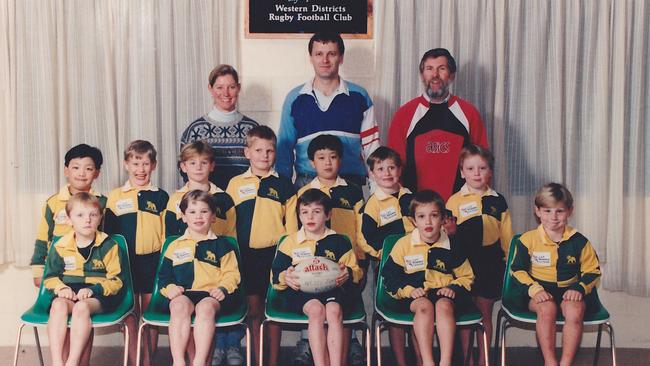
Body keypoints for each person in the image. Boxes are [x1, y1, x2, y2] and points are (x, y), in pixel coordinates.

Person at [284, 134, 366, 365]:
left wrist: (359, 258)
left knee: (340, 309)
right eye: (321, 158)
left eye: (333, 157)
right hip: (311, 267)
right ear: (312, 162)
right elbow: (293, 231)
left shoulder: (352, 191)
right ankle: (312, 349)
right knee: (316, 310)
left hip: (345, 260)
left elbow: (360, 226)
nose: (327, 162)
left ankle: (347, 350)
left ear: (340, 160)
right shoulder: (303, 192)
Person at [225, 125, 296, 366]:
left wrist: (288, 258)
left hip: (275, 256)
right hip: (245, 256)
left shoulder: (285, 185)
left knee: (272, 311)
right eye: (259, 150)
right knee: (254, 311)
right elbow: (227, 223)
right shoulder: (235, 184)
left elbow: (293, 229)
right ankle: (257, 359)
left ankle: (273, 361)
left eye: (270, 150)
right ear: (247, 153)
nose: (264, 155)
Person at [510, 183, 601, 366]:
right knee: (547, 309)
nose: (553, 217)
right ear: (537, 211)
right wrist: (535, 290)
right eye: (547, 210)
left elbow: (593, 271)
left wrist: (579, 288)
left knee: (575, 310)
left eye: (559, 211)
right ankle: (550, 361)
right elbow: (517, 270)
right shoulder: (527, 240)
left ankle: (566, 363)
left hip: (570, 290)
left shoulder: (580, 241)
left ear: (570, 211)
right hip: (538, 290)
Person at [382, 190, 474, 366]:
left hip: (444, 293)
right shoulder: (403, 244)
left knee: (443, 305)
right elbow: (390, 277)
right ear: (413, 221)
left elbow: (467, 276)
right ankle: (428, 361)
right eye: (422, 216)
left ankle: (445, 362)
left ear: (443, 219)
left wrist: (453, 288)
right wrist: (408, 290)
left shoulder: (452, 245)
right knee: (424, 306)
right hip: (415, 296)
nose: (428, 221)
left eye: (434, 215)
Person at [277, 32, 380, 189]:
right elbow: (284, 148)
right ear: (310, 58)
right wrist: (282, 187)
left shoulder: (360, 96)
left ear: (341, 57)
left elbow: (372, 147)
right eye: (319, 54)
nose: (325, 60)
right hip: (307, 183)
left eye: (331, 54)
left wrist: (377, 188)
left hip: (350, 183)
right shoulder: (295, 98)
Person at [271, 189, 362, 366]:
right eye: (304, 212)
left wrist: (348, 273)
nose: (310, 217)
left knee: (334, 311)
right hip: (300, 292)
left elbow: (356, 271)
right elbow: (276, 275)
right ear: (298, 215)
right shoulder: (290, 242)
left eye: (317, 211)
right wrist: (285, 278)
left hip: (333, 288)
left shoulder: (339, 241)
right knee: (316, 311)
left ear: (328, 215)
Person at [387, 48, 488, 201]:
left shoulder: (469, 114)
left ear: (451, 75)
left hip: (462, 210)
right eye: (429, 69)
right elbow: (392, 166)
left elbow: (483, 163)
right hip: (417, 211)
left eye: (441, 69)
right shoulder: (405, 115)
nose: (435, 75)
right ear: (422, 75)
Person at [446, 145, 513, 366]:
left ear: (490, 172)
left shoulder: (498, 200)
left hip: (490, 263)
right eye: (471, 168)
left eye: (482, 168)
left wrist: (509, 263)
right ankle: (468, 359)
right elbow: (446, 238)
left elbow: (507, 237)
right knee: (465, 315)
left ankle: (484, 359)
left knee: (484, 311)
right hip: (464, 263)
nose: (477, 173)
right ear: (462, 172)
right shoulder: (454, 201)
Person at [104, 140, 169, 366]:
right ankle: (134, 359)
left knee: (150, 313)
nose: (140, 169)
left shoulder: (161, 197)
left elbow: (166, 235)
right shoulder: (115, 197)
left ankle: (148, 359)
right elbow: (109, 236)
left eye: (145, 163)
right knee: (131, 313)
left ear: (154, 165)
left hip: (153, 262)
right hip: (126, 264)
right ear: (126, 164)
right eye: (135, 163)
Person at [158, 190, 241, 366]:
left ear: (213, 217)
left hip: (211, 295)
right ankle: (178, 361)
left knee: (205, 308)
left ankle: (199, 361)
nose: (198, 216)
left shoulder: (223, 245)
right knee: (179, 307)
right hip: (184, 294)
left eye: (204, 211)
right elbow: (164, 276)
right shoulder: (174, 246)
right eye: (192, 212)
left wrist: (223, 288)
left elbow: (232, 274)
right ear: (184, 217)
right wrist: (170, 288)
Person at [45, 192, 125, 366]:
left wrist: (93, 290)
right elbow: (50, 277)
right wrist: (61, 288)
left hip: (98, 294)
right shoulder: (60, 246)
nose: (87, 220)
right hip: (70, 291)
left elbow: (116, 281)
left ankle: (72, 362)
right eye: (80, 215)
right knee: (58, 305)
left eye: (93, 215)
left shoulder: (109, 245)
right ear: (69, 219)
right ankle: (57, 362)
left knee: (81, 308)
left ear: (100, 219)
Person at [357, 146, 415, 366]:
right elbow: (364, 238)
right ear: (371, 174)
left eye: (392, 167)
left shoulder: (411, 197)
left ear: (399, 170)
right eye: (380, 168)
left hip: (416, 265)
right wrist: (384, 254)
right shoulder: (372, 205)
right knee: (395, 315)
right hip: (388, 268)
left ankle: (420, 359)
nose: (387, 173)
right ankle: (400, 361)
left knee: (418, 311)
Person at [31, 143, 106, 287]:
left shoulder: (103, 203)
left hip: (93, 274)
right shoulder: (53, 203)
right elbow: (42, 239)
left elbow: (109, 241)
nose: (81, 173)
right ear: (66, 171)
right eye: (76, 167)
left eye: (88, 168)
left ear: (97, 173)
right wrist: (38, 272)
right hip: (58, 272)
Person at [180, 64, 260, 190]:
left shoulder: (252, 129)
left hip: (244, 201)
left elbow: (261, 169)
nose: (225, 93)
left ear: (238, 88)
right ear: (210, 89)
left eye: (231, 87)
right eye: (219, 87)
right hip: (207, 203)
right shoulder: (196, 130)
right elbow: (184, 171)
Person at [165, 141, 236, 238]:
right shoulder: (175, 199)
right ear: (183, 167)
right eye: (193, 163)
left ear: (211, 166)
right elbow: (169, 237)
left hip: (217, 251)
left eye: (204, 162)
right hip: (185, 251)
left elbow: (231, 235)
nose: (198, 167)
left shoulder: (224, 199)